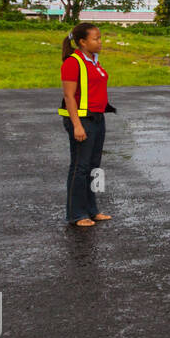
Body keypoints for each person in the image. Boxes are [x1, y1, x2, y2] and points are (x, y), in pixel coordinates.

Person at [60, 22, 114, 226]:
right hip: (82, 119)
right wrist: (77, 125)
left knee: (94, 168)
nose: (100, 42)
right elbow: (69, 96)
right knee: (79, 167)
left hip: (98, 118)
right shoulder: (73, 63)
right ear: (82, 42)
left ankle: (92, 210)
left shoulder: (94, 61)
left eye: (100, 38)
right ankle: (77, 214)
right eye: (96, 38)